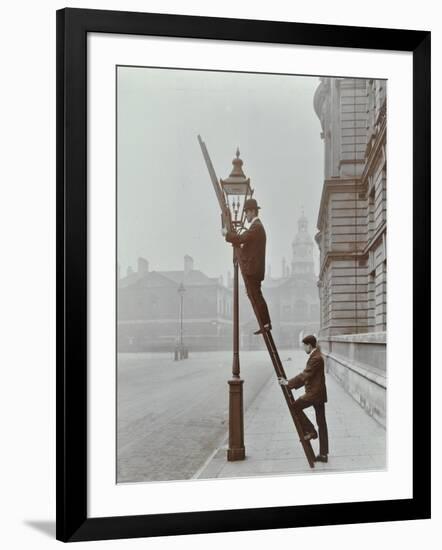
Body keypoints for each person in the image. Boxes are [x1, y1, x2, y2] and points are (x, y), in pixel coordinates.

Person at [222, 198, 271, 335]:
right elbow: (247, 242)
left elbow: (242, 238)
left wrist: (227, 235)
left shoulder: (256, 227)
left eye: (247, 213)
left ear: (252, 211)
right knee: (253, 295)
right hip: (254, 268)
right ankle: (265, 323)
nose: (246, 216)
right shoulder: (257, 227)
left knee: (256, 296)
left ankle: (265, 323)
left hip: (253, 269)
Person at [278, 334, 329, 462]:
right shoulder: (316, 356)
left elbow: (305, 375)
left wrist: (288, 383)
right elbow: (308, 376)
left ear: (309, 345)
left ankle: (311, 431)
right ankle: (323, 454)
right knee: (322, 423)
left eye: (304, 346)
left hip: (314, 394)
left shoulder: (315, 358)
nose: (303, 349)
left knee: (295, 407)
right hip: (318, 393)